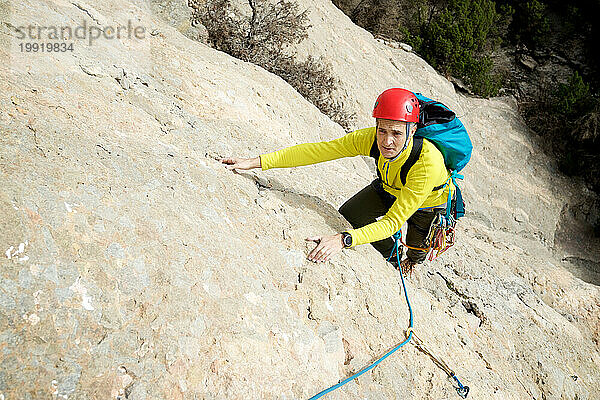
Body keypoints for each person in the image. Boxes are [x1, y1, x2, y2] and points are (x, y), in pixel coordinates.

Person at [219, 88, 455, 276]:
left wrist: (343, 240)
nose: (387, 141)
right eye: (382, 131)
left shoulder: (427, 163)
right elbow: (318, 151)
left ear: (412, 130)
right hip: (389, 186)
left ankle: (409, 261)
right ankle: (392, 257)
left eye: (396, 133)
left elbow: (393, 222)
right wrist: (256, 162)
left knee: (416, 248)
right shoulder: (370, 139)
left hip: (428, 204)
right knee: (350, 215)